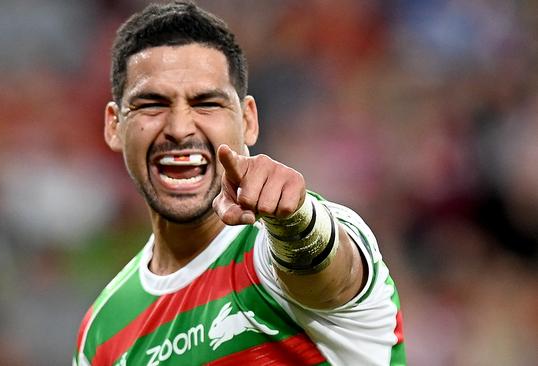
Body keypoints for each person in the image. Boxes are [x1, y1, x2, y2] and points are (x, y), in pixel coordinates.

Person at [73, 2, 405, 365]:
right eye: (152, 104)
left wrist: (295, 223)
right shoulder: (102, 332)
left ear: (247, 120)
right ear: (113, 125)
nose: (180, 128)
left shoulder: (272, 247)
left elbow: (330, 274)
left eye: (207, 103)